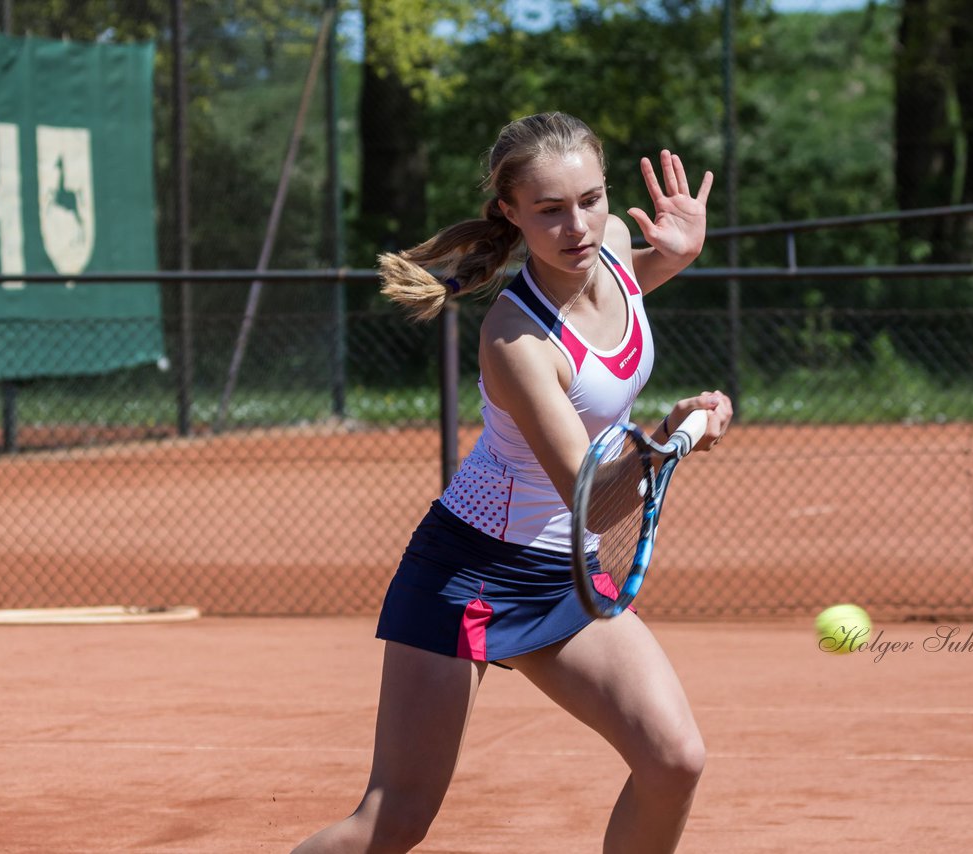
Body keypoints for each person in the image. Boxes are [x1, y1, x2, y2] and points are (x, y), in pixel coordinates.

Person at [292, 111, 732, 854]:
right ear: (510, 213)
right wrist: (671, 437)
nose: (579, 227)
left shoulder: (618, 248)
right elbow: (594, 502)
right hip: (471, 573)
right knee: (393, 820)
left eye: (591, 199)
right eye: (550, 211)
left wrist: (677, 257)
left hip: (563, 571)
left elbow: (616, 307)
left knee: (674, 760)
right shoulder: (514, 340)